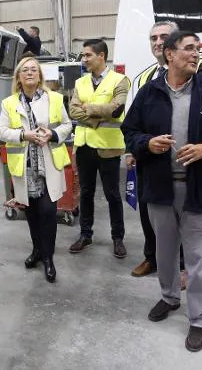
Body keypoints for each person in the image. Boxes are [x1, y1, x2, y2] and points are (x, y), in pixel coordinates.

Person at [122, 31, 202, 352]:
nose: (196, 54)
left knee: (199, 260)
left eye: (198, 49)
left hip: (199, 190)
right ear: (169, 54)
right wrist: (146, 143)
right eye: (189, 49)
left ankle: (199, 320)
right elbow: (129, 131)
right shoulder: (149, 93)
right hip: (160, 189)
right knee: (164, 253)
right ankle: (169, 297)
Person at [0, 57, 72, 283]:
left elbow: (67, 125)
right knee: (31, 212)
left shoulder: (55, 99)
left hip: (48, 164)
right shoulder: (9, 103)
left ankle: (48, 257)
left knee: (48, 212)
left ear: (39, 75)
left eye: (33, 70)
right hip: (24, 166)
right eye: (24, 70)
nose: (29, 73)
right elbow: (0, 130)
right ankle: (37, 251)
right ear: (19, 77)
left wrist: (52, 134)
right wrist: (22, 135)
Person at [130, 21, 187, 282]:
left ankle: (184, 266)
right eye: (153, 37)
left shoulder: (194, 74)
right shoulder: (144, 78)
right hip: (150, 162)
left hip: (182, 164)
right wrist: (136, 147)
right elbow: (133, 123)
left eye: (164, 37)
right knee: (148, 213)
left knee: (182, 218)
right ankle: (151, 257)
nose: (157, 42)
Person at [68, 39, 129, 258]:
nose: (83, 59)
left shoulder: (120, 80)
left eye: (87, 55)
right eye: (83, 56)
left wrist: (89, 108)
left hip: (108, 147)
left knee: (113, 194)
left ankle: (118, 238)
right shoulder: (80, 82)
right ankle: (85, 234)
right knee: (86, 193)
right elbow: (73, 111)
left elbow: (116, 109)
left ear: (101, 56)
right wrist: (96, 114)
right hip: (84, 146)